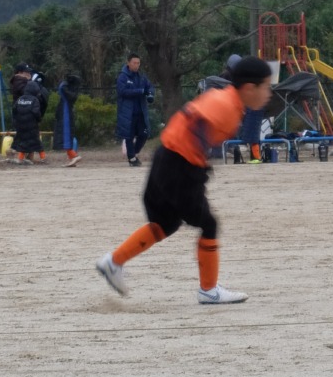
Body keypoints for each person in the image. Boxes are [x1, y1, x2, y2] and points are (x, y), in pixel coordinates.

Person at [96, 55, 273, 304]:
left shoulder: (220, 97)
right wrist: (198, 165)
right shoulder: (227, 106)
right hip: (180, 164)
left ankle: (113, 262)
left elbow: (188, 119)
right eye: (266, 87)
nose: (269, 94)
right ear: (249, 88)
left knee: (165, 223)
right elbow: (198, 127)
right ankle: (208, 291)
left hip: (165, 156)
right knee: (209, 224)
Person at [115, 53, 154, 166]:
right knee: (129, 136)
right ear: (128, 63)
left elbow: (149, 86)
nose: (136, 65)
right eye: (134, 63)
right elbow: (122, 91)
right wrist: (140, 91)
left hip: (141, 112)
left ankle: (134, 153)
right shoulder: (123, 77)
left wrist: (150, 94)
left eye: (138, 63)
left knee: (144, 134)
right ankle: (132, 159)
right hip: (127, 113)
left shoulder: (141, 76)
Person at [9, 63, 50, 164]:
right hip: (25, 116)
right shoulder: (19, 81)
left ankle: (24, 156)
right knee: (29, 138)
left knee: (24, 138)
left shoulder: (24, 82)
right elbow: (28, 92)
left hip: (24, 116)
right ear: (19, 72)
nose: (28, 74)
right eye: (26, 72)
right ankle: (14, 152)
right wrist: (35, 84)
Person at [53, 73, 82, 166]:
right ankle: (72, 157)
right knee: (67, 136)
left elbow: (63, 89)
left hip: (65, 114)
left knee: (66, 136)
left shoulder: (64, 88)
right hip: (65, 113)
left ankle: (74, 156)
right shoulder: (68, 91)